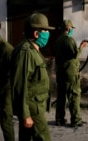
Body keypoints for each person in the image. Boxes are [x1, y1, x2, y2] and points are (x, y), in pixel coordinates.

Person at [10, 12, 55, 141]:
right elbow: (20, 85)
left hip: (34, 106)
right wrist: (25, 115)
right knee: (43, 138)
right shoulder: (25, 52)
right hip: (32, 108)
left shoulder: (33, 50)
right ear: (36, 33)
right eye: (45, 31)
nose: (47, 34)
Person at [54, 19, 88, 127]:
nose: (72, 31)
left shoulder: (58, 39)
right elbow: (74, 55)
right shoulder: (69, 40)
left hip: (61, 71)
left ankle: (59, 119)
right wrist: (82, 47)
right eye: (71, 29)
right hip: (70, 72)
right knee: (74, 95)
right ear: (68, 29)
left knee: (61, 96)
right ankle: (76, 120)